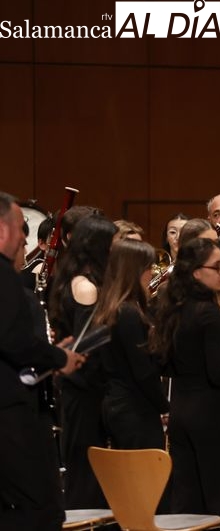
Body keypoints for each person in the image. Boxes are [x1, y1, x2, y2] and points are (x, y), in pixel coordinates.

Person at [0, 192, 84, 531]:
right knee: (40, 508)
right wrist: (59, 357)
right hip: (10, 414)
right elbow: (13, 341)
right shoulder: (3, 275)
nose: (24, 237)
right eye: (20, 228)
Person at [150, 237, 220, 528]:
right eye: (216, 267)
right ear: (195, 272)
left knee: (187, 495)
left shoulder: (173, 308)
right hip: (211, 413)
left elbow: (162, 363)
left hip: (181, 410)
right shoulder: (209, 313)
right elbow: (216, 373)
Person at [48, 214, 117, 510]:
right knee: (86, 472)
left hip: (81, 388)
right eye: (112, 244)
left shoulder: (74, 278)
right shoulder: (87, 286)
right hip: (85, 390)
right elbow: (87, 345)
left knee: (87, 469)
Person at [94, 239, 168, 451]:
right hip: (134, 409)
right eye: (148, 267)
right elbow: (142, 370)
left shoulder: (111, 307)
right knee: (144, 478)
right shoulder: (127, 312)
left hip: (119, 405)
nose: (152, 273)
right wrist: (164, 406)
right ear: (134, 270)